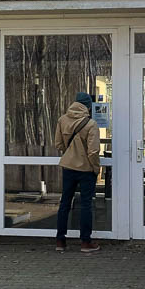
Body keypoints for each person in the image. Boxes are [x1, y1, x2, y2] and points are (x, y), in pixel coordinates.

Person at [53, 92, 101, 253]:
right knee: (86, 205)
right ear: (88, 107)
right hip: (86, 169)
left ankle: (60, 241)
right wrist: (96, 168)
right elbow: (93, 151)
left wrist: (70, 153)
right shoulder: (91, 124)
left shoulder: (62, 120)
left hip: (68, 167)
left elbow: (58, 144)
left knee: (65, 203)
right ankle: (85, 242)